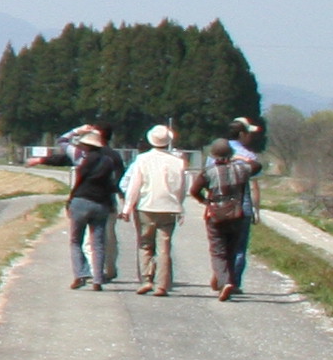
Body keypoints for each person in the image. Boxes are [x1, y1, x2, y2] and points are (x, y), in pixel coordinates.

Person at [121, 124, 194, 296]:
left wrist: (127, 207)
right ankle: (162, 284)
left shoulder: (142, 160)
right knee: (164, 247)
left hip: (146, 206)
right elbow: (182, 188)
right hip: (169, 207)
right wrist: (180, 206)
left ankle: (146, 279)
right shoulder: (178, 162)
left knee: (145, 243)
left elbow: (134, 186)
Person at [204, 127, 265, 298]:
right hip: (241, 208)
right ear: (241, 134)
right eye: (248, 133)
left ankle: (223, 277)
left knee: (218, 247)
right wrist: (256, 210)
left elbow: (204, 182)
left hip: (217, 208)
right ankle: (233, 282)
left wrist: (206, 203)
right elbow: (254, 182)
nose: (250, 137)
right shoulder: (248, 158)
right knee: (238, 248)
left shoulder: (213, 157)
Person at [66, 125, 126, 289]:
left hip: (82, 201)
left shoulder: (86, 161)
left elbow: (79, 181)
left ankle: (81, 274)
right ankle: (98, 278)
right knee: (98, 242)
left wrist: (70, 199)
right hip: (101, 203)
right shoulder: (110, 160)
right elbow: (115, 183)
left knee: (75, 240)